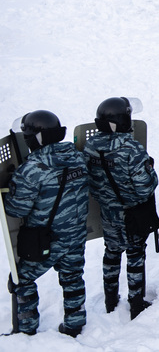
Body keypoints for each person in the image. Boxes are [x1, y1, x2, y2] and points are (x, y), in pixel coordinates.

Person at [4, 110, 89, 337]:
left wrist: (12, 186)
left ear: (35, 139)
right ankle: (75, 324)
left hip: (47, 239)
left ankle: (26, 329)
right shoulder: (78, 157)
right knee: (72, 276)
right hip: (76, 233)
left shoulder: (31, 170)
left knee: (22, 279)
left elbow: (16, 209)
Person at [83, 97, 159, 319]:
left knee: (112, 252)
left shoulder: (91, 146)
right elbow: (146, 186)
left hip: (108, 211)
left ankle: (110, 299)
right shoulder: (132, 149)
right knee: (135, 254)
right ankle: (136, 302)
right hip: (132, 212)